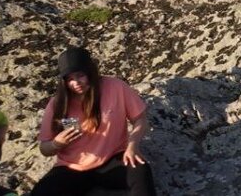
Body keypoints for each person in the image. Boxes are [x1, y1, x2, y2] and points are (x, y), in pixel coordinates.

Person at [31, 47, 155, 196]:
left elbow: (140, 119)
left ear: (91, 72)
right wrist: (56, 144)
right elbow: (44, 149)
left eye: (80, 75)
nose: (76, 82)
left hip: (112, 161)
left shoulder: (115, 87)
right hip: (72, 168)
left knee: (140, 170)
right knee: (41, 192)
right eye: (69, 78)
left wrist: (132, 145)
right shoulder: (56, 104)